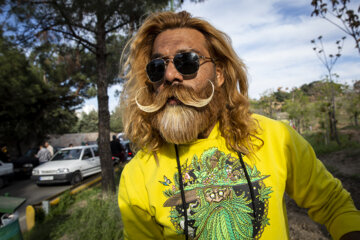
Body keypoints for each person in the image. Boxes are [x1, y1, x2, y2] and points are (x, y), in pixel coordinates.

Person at [118, 11, 360, 240]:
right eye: (157, 67)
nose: (170, 75)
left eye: (187, 61)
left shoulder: (276, 138)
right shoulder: (137, 175)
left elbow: (333, 205)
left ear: (219, 74)